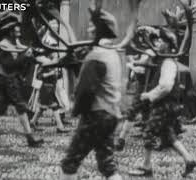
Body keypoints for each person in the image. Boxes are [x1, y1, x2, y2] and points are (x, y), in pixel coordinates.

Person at [60, 9, 123, 180]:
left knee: (70, 162)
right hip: (112, 114)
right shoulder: (112, 54)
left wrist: (75, 110)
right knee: (107, 164)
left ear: (98, 29)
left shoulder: (96, 55)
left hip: (96, 115)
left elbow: (86, 90)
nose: (89, 30)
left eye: (91, 26)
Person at [128, 30, 196, 177]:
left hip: (164, 105)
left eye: (161, 41)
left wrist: (148, 95)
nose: (157, 43)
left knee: (148, 131)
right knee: (168, 135)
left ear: (168, 45)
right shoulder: (164, 61)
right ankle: (189, 160)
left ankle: (146, 166)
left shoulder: (168, 63)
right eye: (157, 41)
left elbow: (165, 87)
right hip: (167, 106)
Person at [0, 18, 44, 148]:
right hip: (7, 79)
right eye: (16, 31)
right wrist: (25, 56)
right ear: (10, 32)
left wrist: (28, 57)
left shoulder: (13, 44)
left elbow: (18, 64)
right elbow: (9, 65)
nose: (19, 33)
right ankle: (30, 138)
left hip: (8, 79)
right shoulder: (4, 46)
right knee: (21, 106)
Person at [28, 19, 70, 133]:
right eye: (52, 25)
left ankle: (32, 122)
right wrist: (52, 72)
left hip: (50, 83)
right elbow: (41, 73)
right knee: (53, 105)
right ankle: (60, 127)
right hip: (47, 84)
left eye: (56, 25)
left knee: (43, 106)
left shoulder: (52, 44)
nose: (55, 27)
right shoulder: (45, 55)